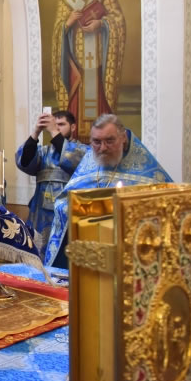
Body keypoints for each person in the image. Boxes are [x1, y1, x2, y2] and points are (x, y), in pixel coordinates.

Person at [45, 113, 172, 267]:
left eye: (109, 141)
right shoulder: (89, 160)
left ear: (123, 137)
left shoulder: (147, 170)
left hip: (131, 254)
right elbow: (62, 203)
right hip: (89, 249)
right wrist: (81, 209)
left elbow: (166, 207)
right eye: (96, 142)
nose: (103, 148)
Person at [52, 0, 126, 141]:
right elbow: (58, 32)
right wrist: (67, 23)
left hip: (98, 66)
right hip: (77, 68)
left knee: (100, 108)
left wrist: (101, 24)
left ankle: (103, 140)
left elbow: (118, 18)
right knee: (77, 108)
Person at [15, 110, 88, 256]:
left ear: (73, 127)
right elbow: (24, 161)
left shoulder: (84, 151)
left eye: (61, 124)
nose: (57, 128)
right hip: (40, 214)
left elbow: (75, 161)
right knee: (36, 253)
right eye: (55, 125)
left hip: (69, 213)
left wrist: (54, 131)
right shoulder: (43, 152)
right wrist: (36, 132)